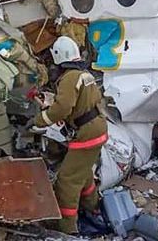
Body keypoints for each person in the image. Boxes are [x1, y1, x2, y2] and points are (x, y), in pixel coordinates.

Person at [31, 36, 107, 234]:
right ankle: (93, 209)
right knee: (83, 173)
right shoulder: (84, 74)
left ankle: (68, 229)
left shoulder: (69, 78)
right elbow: (77, 105)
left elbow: (63, 107)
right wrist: (52, 106)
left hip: (87, 134)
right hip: (97, 128)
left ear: (58, 57)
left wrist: (41, 119)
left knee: (67, 181)